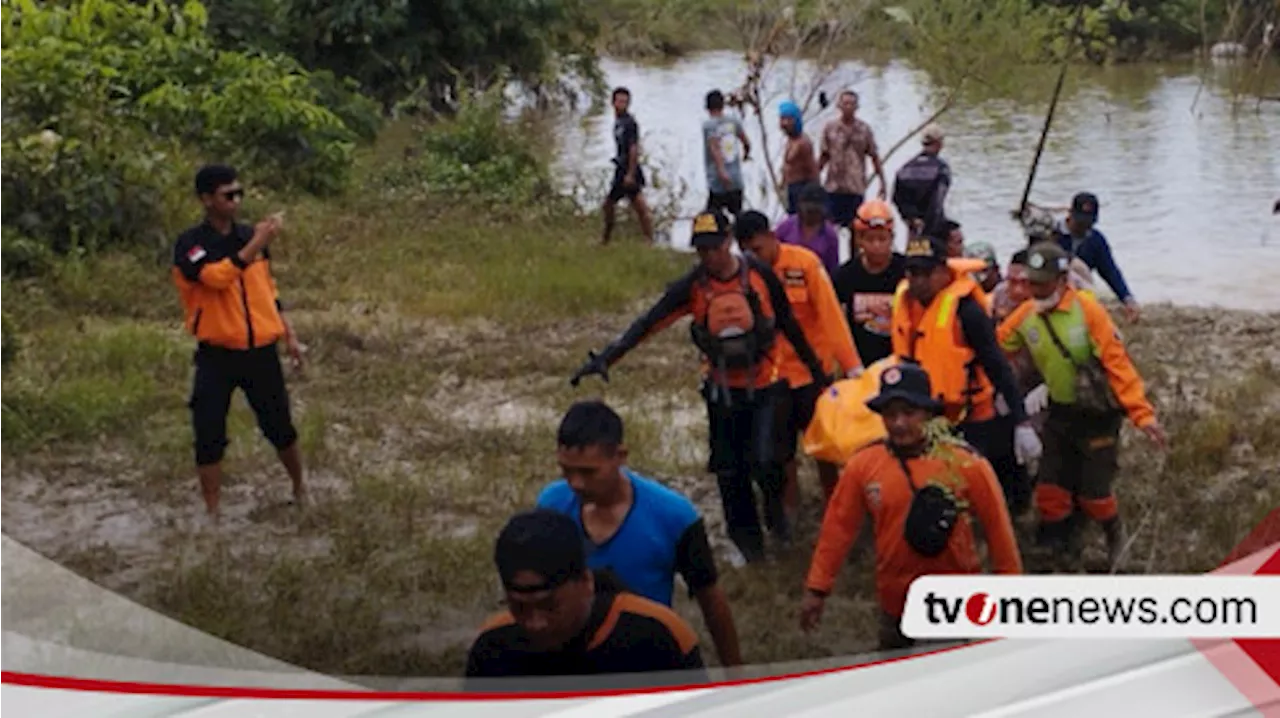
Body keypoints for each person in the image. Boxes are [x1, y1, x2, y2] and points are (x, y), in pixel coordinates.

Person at [570, 211, 829, 563]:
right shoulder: (693, 285)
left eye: (714, 247)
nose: (709, 256)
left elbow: (788, 324)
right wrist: (607, 357)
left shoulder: (760, 276)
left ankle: (777, 519)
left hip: (767, 386)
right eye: (701, 250)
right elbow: (650, 321)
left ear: (728, 242)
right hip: (723, 391)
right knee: (729, 470)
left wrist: (818, 375)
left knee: (768, 461)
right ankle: (748, 547)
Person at [800, 363, 1024, 651]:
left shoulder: (966, 463)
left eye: (909, 413)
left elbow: (999, 532)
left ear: (928, 413)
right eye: (891, 415)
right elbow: (837, 528)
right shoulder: (863, 465)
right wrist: (817, 588)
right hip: (895, 603)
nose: (899, 423)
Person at [997, 242, 1168, 569]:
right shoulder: (1026, 314)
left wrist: (1143, 416)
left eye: (1042, 283)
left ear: (1062, 280)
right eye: (1030, 282)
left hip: (1097, 415)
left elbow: (1119, 366)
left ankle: (1114, 534)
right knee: (1050, 488)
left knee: (1095, 495)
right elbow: (996, 346)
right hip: (1060, 413)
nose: (1033, 290)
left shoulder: (1088, 311)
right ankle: (1061, 544)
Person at [536, 401, 743, 667]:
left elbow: (711, 600)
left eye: (588, 472)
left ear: (620, 456)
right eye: (566, 470)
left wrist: (735, 674)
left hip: (646, 656)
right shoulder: (552, 505)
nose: (576, 483)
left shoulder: (674, 516)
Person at [172, 164, 306, 523]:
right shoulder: (192, 244)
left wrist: (288, 334)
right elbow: (216, 279)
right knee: (208, 431)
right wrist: (255, 245)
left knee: (279, 425)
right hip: (217, 353)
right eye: (227, 195)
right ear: (206, 200)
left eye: (239, 193)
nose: (236, 201)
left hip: (260, 350)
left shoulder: (249, 237)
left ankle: (299, 487)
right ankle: (213, 512)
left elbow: (267, 292)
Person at [889, 235, 1041, 509]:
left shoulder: (966, 311)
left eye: (925, 272)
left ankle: (1016, 513)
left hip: (974, 414)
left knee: (995, 480)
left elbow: (997, 366)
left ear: (943, 271)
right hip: (929, 414)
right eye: (912, 272)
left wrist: (1021, 421)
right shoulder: (905, 304)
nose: (917, 280)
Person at [465, 509, 707, 678]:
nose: (536, 623)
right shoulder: (493, 648)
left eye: (550, 606)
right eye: (519, 608)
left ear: (586, 581)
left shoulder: (657, 637)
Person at [734, 211, 862, 511]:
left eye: (757, 249)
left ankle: (836, 507)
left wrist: (852, 366)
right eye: (747, 252)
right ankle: (792, 513)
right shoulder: (744, 276)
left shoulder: (805, 265)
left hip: (813, 373)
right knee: (782, 452)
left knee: (826, 448)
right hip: (773, 377)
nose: (754, 257)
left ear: (771, 236)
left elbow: (832, 316)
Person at [833, 199, 906, 367]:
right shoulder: (845, 275)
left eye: (882, 239)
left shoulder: (906, 271)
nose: (876, 246)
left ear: (892, 238)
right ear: (859, 240)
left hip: (898, 361)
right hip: (859, 364)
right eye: (870, 239)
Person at [1053, 192, 1138, 322]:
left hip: (1079, 291)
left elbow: (1110, 271)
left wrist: (1127, 299)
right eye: (1080, 221)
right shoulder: (1051, 234)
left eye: (1089, 222)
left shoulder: (1095, 240)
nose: (1084, 227)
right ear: (1070, 214)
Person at [818, 90, 887, 228]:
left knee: (856, 228)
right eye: (845, 103)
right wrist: (814, 179)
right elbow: (824, 156)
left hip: (855, 188)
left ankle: (853, 250)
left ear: (857, 107)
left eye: (852, 104)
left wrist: (882, 182)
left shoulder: (864, 129)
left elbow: (874, 156)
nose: (848, 107)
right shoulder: (830, 128)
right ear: (839, 106)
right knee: (829, 228)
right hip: (833, 187)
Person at [601, 87, 655, 245]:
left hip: (629, 169)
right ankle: (606, 239)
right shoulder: (618, 122)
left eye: (625, 102)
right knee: (609, 204)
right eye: (619, 101)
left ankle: (649, 239)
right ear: (613, 103)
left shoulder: (630, 123)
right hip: (621, 168)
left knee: (640, 207)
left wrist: (630, 173)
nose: (622, 104)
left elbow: (633, 148)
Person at [892, 124, 951, 240]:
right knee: (934, 256)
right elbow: (937, 201)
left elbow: (897, 197)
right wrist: (929, 224)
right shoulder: (941, 168)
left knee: (914, 256)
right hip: (933, 229)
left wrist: (912, 218)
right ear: (939, 144)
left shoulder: (906, 168)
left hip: (913, 229)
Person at [702, 90, 752, 221]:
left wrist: (721, 171)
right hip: (735, 179)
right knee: (738, 216)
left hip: (717, 180)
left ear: (707, 107)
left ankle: (714, 241)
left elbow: (715, 148)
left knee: (711, 218)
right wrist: (746, 155)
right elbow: (746, 143)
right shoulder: (733, 122)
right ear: (723, 105)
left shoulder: (709, 125)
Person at [775, 182, 841, 279]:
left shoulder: (830, 234)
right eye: (809, 210)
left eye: (816, 210)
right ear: (800, 207)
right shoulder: (786, 227)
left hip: (817, 281)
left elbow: (832, 269)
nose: (812, 215)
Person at [780, 100, 819, 214]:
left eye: (789, 119)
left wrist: (815, 194)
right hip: (790, 188)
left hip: (802, 188)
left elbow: (812, 169)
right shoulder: (790, 141)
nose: (785, 123)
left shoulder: (803, 143)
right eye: (783, 119)